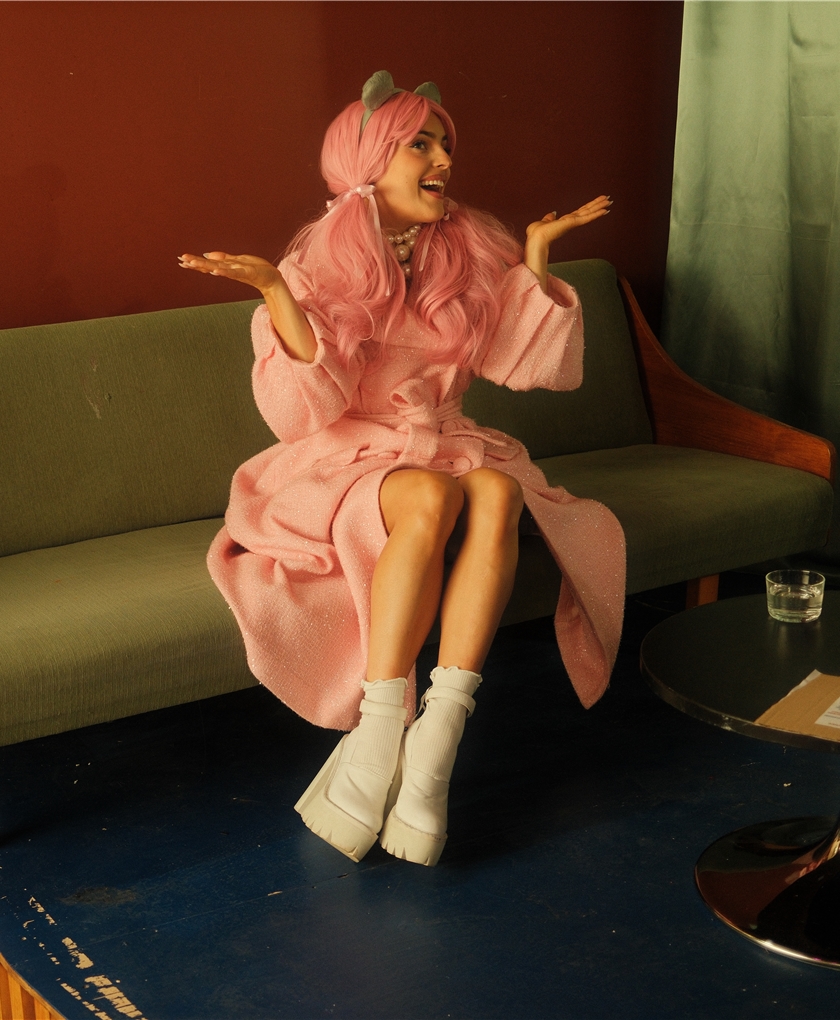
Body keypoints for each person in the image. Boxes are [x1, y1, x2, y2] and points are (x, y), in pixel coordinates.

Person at [179, 71, 625, 868]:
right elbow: (302, 413)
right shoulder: (316, 266)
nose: (443, 159)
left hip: (445, 440)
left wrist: (533, 258)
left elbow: (517, 365)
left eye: (444, 143)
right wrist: (276, 291)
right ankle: (384, 730)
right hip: (343, 457)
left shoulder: (464, 254)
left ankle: (437, 743)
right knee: (428, 494)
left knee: (497, 490)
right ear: (368, 161)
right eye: (420, 144)